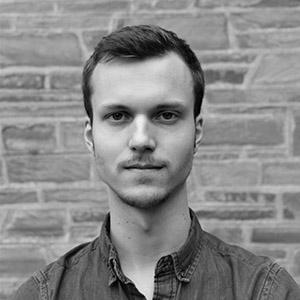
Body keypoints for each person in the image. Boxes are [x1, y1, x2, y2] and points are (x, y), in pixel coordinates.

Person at [13, 25, 300, 300]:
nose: (141, 140)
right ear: (90, 136)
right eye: (118, 116)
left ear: (196, 132)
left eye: (165, 115)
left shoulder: (266, 292)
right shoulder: (42, 295)